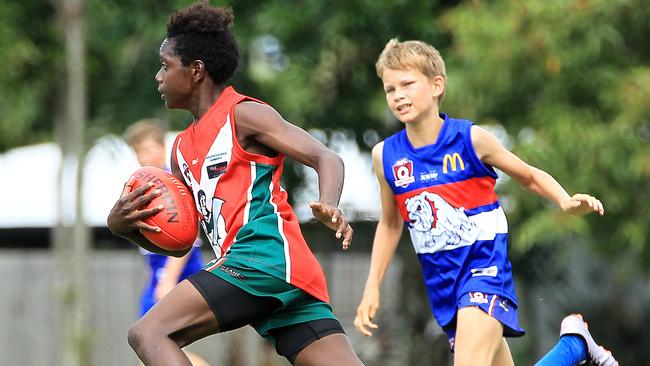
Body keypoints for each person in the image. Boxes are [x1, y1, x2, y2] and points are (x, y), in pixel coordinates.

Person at [107, 3, 362, 366]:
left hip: (262, 259)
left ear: (196, 71)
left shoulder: (244, 114)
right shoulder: (181, 149)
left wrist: (330, 203)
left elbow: (327, 158)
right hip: (277, 274)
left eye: (166, 65)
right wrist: (124, 228)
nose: (158, 77)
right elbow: (183, 243)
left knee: (148, 333)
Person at [352, 39, 618, 366]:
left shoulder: (470, 139)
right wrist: (372, 288)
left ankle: (575, 346)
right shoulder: (386, 157)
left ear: (437, 85)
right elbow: (392, 223)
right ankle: (574, 346)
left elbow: (530, 176)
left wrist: (565, 201)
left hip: (484, 272)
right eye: (390, 89)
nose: (398, 95)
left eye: (407, 84)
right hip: (444, 286)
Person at [123, 119, 209, 366]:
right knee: (147, 347)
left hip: (178, 272)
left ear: (163, 147)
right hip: (156, 273)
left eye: (149, 148)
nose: (144, 156)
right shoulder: (141, 186)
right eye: (139, 151)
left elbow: (188, 237)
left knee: (152, 344)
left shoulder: (171, 184)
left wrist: (169, 279)